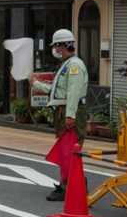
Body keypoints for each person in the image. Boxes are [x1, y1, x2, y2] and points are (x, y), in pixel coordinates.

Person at [31, 28, 88, 201]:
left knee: (70, 149)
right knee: (66, 150)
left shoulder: (74, 66)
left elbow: (73, 92)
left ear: (64, 45)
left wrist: (70, 115)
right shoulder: (65, 64)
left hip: (72, 112)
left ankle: (68, 188)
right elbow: (58, 92)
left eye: (56, 46)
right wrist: (36, 84)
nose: (55, 49)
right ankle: (72, 185)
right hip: (64, 111)